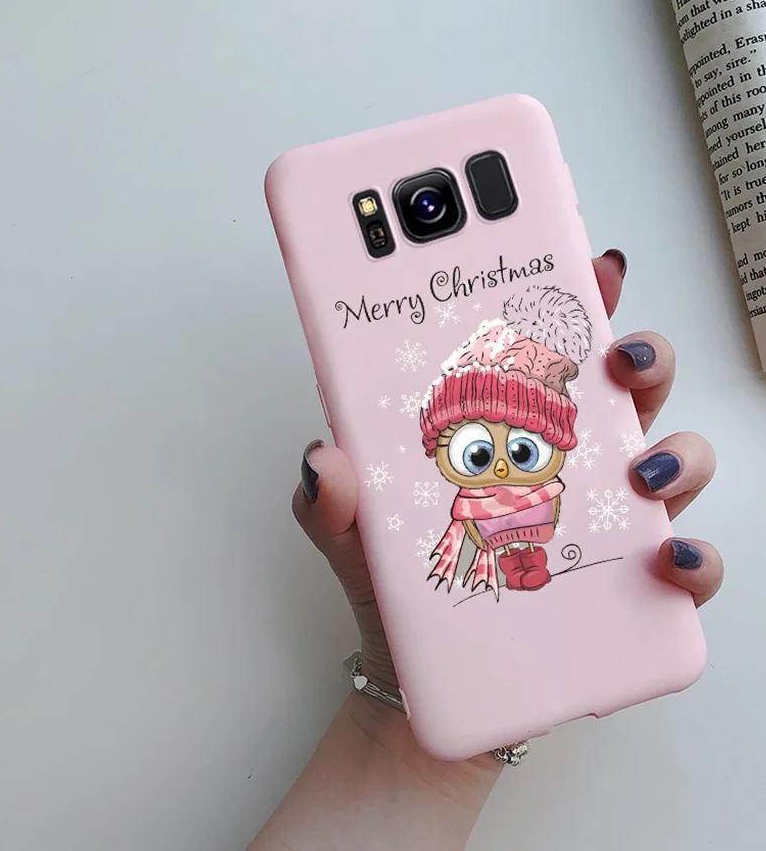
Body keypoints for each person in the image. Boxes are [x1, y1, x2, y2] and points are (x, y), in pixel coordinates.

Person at [249, 251, 723, 851]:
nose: (499, 466)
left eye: (522, 451)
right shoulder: (465, 513)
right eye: (475, 453)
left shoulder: (550, 488)